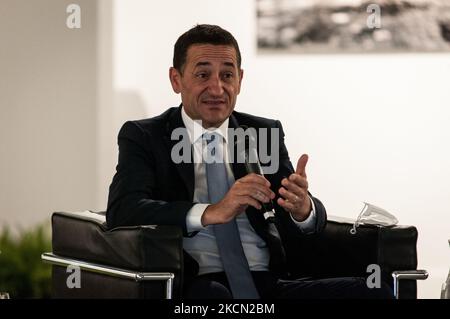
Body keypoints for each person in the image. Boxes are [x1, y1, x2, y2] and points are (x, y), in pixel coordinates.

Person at [107, 24, 392, 299]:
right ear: (176, 79)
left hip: (268, 281)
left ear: (240, 80)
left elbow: (295, 208)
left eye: (227, 75)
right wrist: (212, 211)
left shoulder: (263, 133)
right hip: (195, 282)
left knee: (373, 291)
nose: (217, 88)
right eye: (203, 75)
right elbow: (124, 210)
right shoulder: (145, 136)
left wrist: (303, 209)